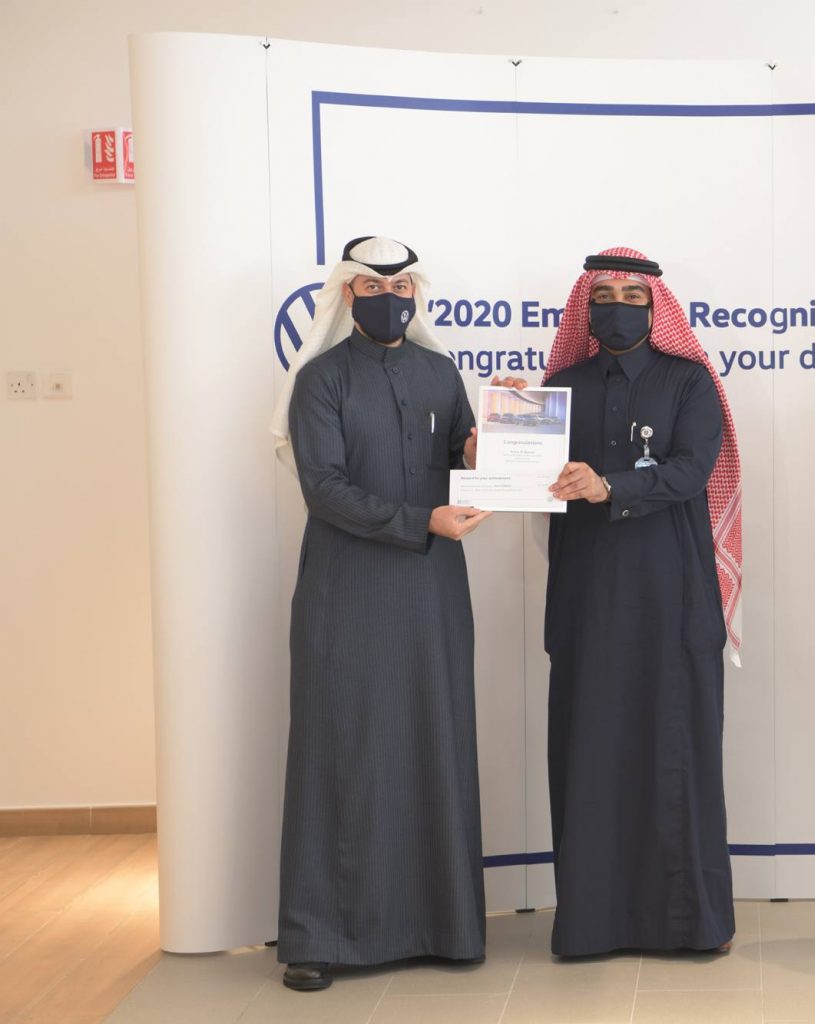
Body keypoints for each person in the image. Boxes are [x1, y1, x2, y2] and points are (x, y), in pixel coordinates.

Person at [269, 236, 491, 991]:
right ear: (348, 294)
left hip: (431, 593)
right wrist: (420, 521)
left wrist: (493, 448)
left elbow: (463, 465)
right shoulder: (322, 380)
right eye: (372, 287)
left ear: (414, 294)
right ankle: (319, 937)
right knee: (344, 746)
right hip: (349, 591)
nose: (389, 298)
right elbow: (324, 489)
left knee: (433, 738)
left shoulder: (440, 373)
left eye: (400, 287)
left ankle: (442, 926)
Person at [522, 246, 743, 957]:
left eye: (632, 296)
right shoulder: (561, 386)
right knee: (590, 746)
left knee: (675, 745)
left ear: (655, 308)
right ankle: (591, 925)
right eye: (604, 296)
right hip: (586, 595)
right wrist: (503, 431)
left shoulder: (689, 382)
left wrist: (611, 485)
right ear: (586, 307)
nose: (617, 307)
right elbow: (529, 479)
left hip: (671, 594)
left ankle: (688, 922)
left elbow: (692, 471)